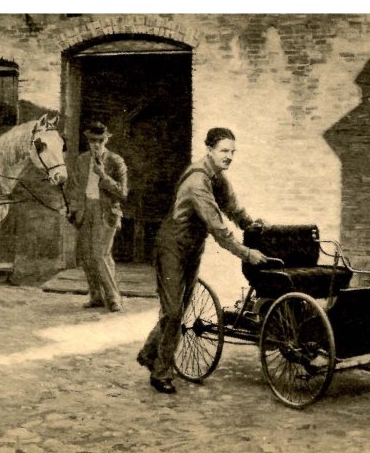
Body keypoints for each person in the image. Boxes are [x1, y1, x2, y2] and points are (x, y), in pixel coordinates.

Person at [137, 127, 268, 394]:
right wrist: (247, 253)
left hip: (192, 247)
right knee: (173, 312)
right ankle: (161, 372)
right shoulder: (198, 181)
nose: (229, 156)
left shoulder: (217, 176)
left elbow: (232, 207)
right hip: (171, 246)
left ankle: (149, 353)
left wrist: (251, 225)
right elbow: (219, 230)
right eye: (224, 151)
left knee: (179, 307)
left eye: (233, 152)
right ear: (209, 150)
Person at [66, 121, 129, 312]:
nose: (96, 144)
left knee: (99, 254)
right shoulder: (81, 160)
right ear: (88, 140)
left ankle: (113, 297)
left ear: (106, 140)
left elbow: (123, 193)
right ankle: (96, 296)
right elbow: (75, 189)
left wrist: (103, 176)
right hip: (86, 211)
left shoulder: (115, 161)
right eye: (92, 140)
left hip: (106, 212)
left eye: (100, 140)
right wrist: (72, 209)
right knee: (86, 255)